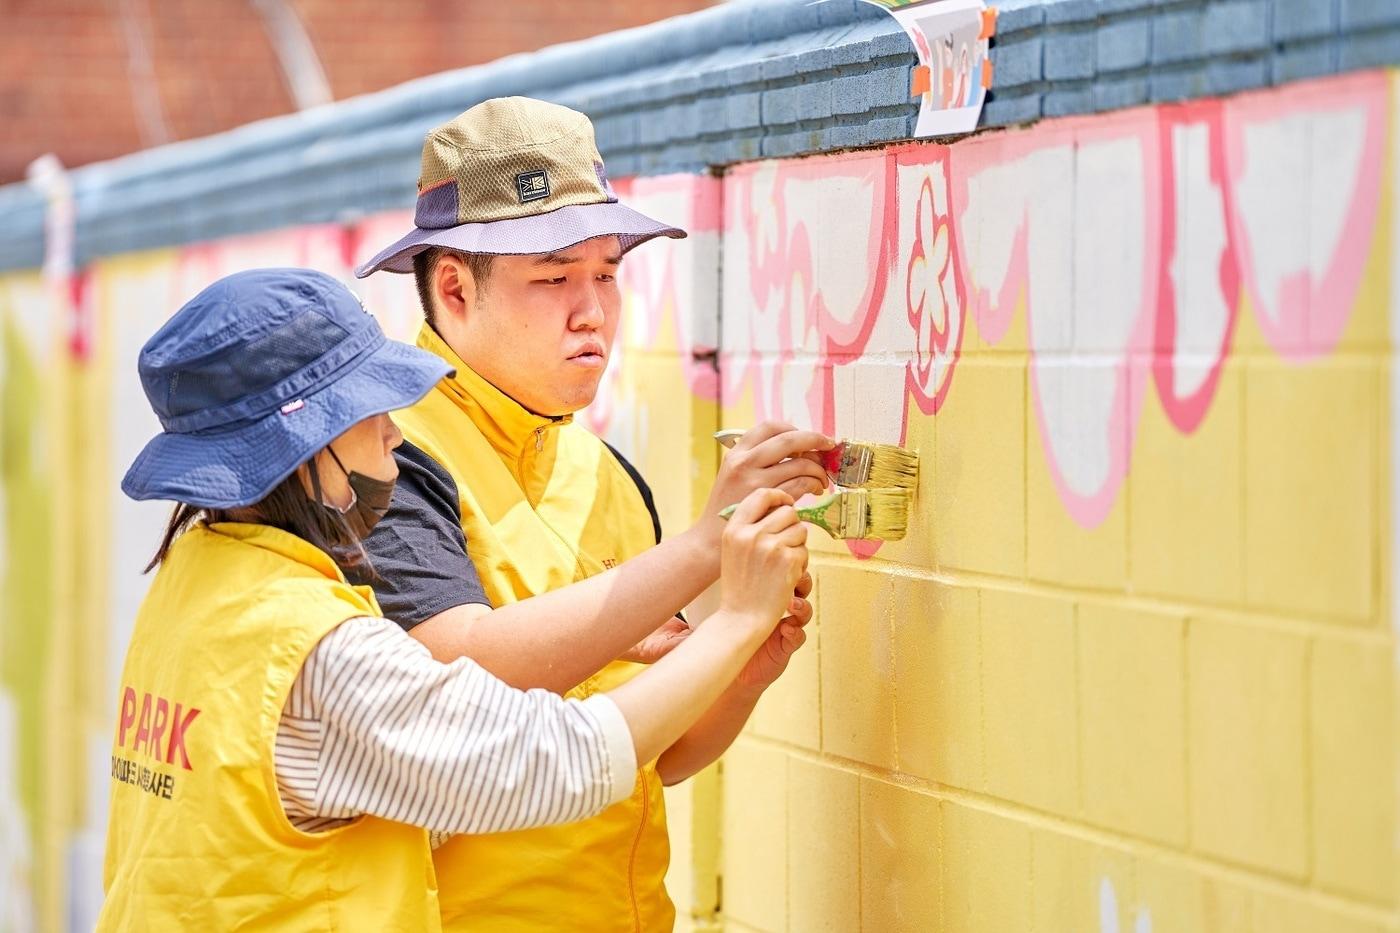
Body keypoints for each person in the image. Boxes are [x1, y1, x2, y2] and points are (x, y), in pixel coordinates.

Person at [97, 268, 809, 931]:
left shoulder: (196, 579)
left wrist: (725, 669)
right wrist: (738, 621)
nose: (394, 435)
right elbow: (555, 764)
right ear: (301, 443)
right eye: (368, 410)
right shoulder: (315, 649)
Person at [353, 96, 833, 931]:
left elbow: (662, 751)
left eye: (607, 273)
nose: (594, 311)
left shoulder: (606, 473)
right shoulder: (387, 457)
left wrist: (744, 665)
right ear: (456, 287)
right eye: (553, 278)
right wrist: (703, 551)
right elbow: (455, 678)